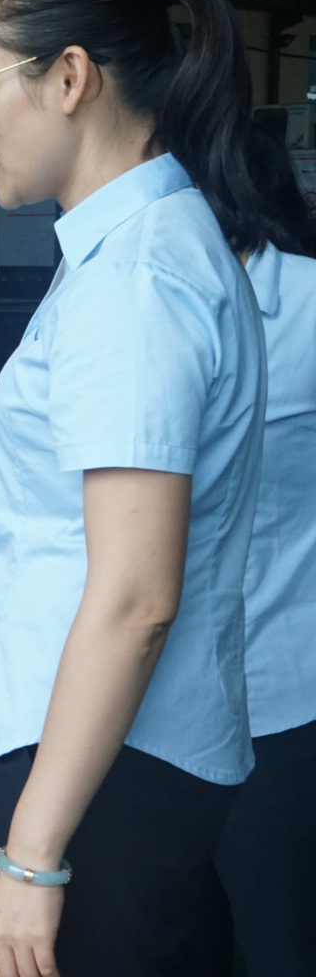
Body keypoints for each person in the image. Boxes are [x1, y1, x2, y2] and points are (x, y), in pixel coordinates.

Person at [0, 0, 270, 977]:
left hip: (100, 776)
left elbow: (135, 598)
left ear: (70, 77)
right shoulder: (132, 251)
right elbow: (98, 537)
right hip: (104, 757)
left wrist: (33, 858)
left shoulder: (133, 284)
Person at [213, 130, 316, 976]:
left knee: (276, 934)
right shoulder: (113, 295)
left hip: (278, 690)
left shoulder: (310, 305)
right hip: (141, 698)